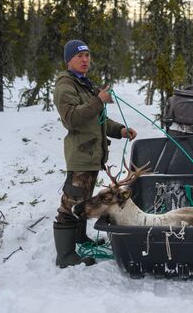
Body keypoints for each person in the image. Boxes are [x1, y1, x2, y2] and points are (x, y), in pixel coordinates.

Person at [52, 39, 137, 268]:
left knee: (84, 200)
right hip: (80, 155)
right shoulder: (65, 86)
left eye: (87, 56)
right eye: (80, 56)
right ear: (69, 59)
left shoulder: (85, 85)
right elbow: (72, 119)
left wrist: (119, 130)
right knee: (70, 203)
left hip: (92, 155)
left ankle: (80, 238)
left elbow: (98, 119)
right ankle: (65, 255)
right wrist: (98, 100)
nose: (85, 60)